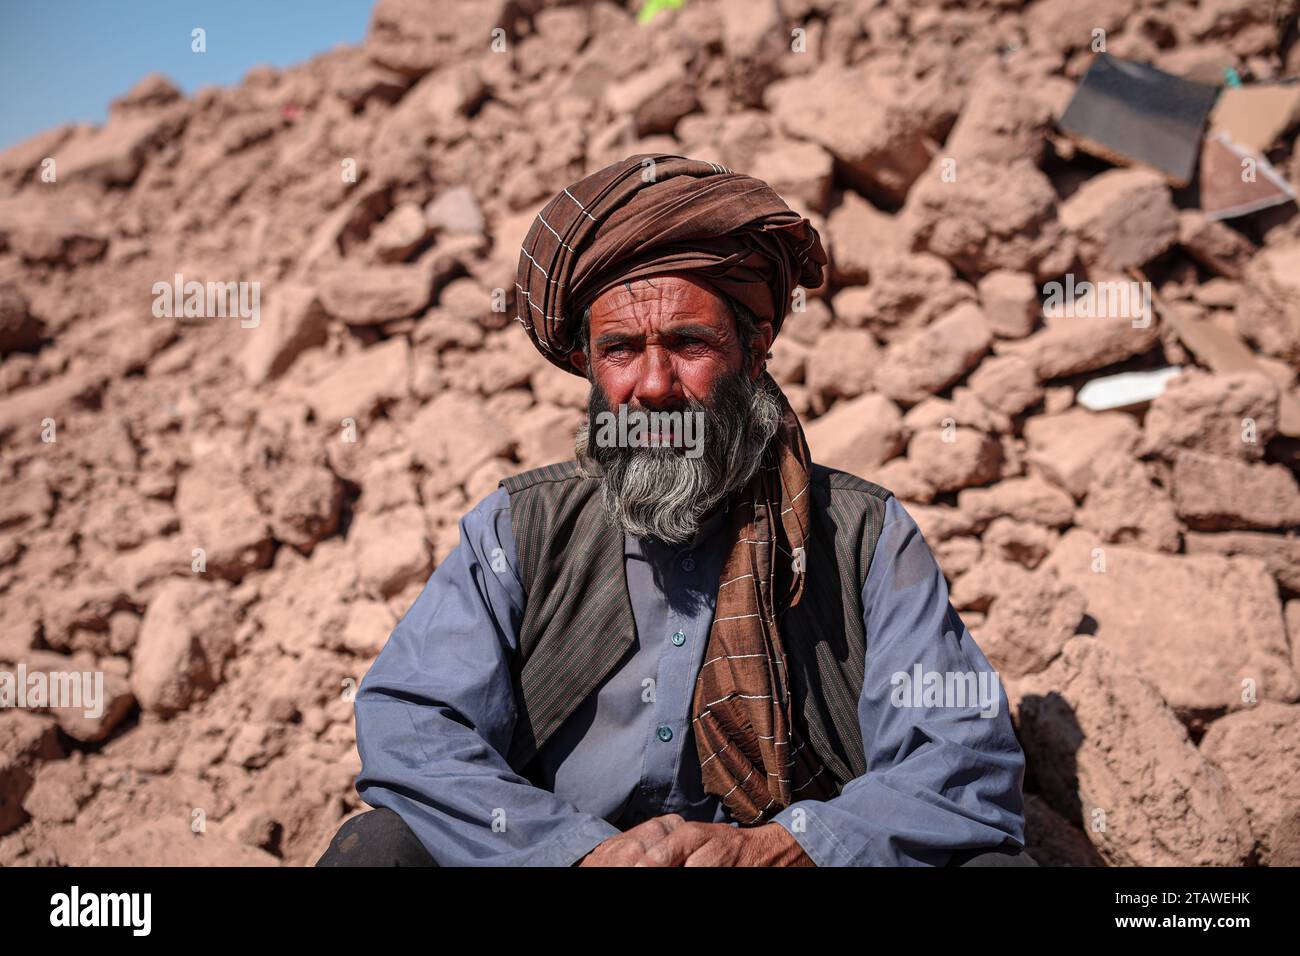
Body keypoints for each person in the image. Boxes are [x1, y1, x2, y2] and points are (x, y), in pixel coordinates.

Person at [316, 154, 1034, 867]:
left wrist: (783, 848)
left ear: (755, 353)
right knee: (377, 848)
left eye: (689, 343)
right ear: (589, 368)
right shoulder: (521, 530)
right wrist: (573, 852)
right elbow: (414, 722)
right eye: (621, 350)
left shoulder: (864, 537)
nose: (654, 387)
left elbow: (961, 754)